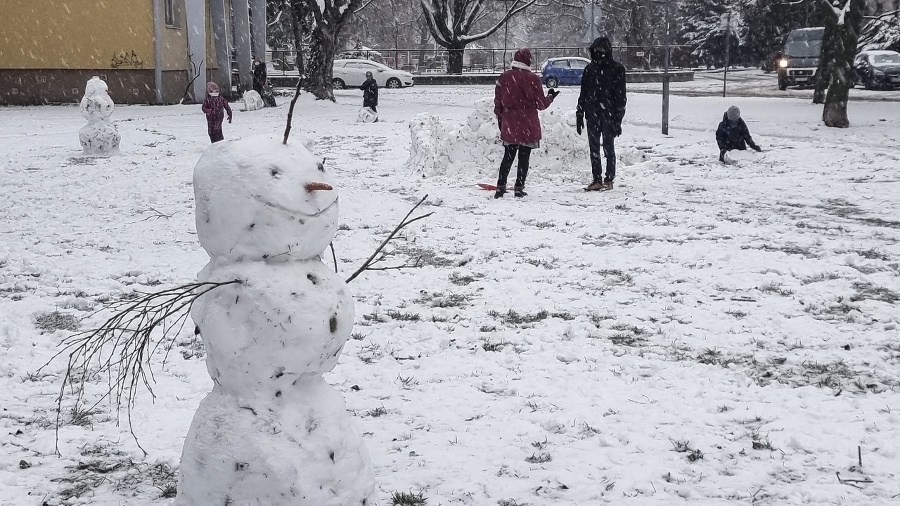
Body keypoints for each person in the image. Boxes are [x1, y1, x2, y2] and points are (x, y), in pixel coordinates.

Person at [493, 48, 558, 198]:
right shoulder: (533, 79)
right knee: (524, 157)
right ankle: (519, 187)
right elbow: (541, 104)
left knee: (508, 156)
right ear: (528, 60)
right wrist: (550, 97)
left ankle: (500, 186)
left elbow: (498, 103)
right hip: (528, 121)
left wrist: (502, 119)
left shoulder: (504, 78)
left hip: (510, 121)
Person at [576, 36, 627, 191]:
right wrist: (579, 111)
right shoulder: (589, 69)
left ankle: (609, 178)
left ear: (608, 51)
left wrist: (618, 119)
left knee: (608, 147)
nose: (599, 53)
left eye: (602, 50)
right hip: (592, 114)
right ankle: (597, 179)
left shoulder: (617, 69)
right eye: (596, 50)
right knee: (594, 148)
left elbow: (621, 97)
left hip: (608, 115)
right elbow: (583, 92)